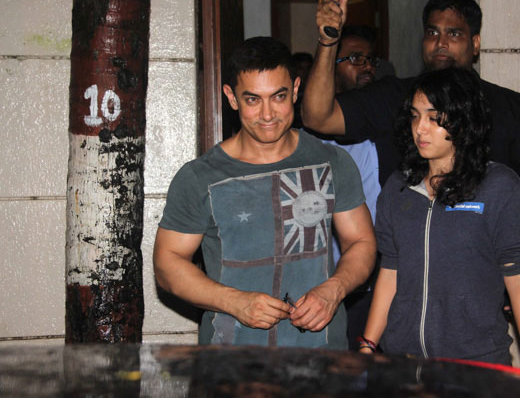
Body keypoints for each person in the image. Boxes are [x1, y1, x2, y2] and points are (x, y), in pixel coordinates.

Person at [302, 0, 520, 285]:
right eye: (432, 32)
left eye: (454, 33)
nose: (441, 43)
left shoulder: (512, 108)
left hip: (480, 288)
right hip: (400, 283)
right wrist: (328, 40)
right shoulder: (393, 96)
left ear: (475, 43)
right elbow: (317, 117)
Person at [153, 36, 376, 349]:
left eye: (279, 97)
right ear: (231, 98)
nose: (268, 114)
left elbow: (361, 241)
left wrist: (334, 290)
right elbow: (167, 263)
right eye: (253, 100)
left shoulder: (332, 161)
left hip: (322, 355)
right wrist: (234, 302)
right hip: (231, 360)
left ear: (295, 90)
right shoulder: (199, 177)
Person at [359, 68, 520, 370]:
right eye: (415, 116)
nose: (420, 129)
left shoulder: (498, 186)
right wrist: (368, 345)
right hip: (403, 364)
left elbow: (519, 280)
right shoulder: (398, 187)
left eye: (434, 118)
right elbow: (391, 271)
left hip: (475, 368)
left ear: (464, 120)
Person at [317, 25, 383, 349]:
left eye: (370, 59)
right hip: (334, 285)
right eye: (355, 59)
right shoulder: (314, 140)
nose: (366, 66)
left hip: (385, 281)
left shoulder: (388, 124)